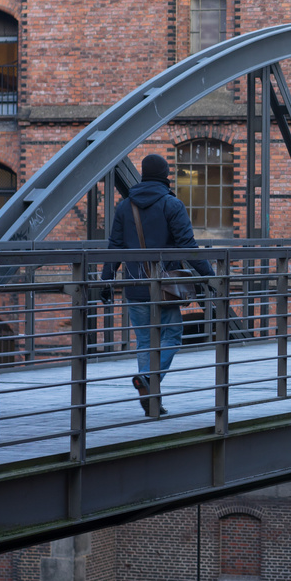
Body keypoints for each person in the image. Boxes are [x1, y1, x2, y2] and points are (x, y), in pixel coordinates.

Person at [101, 153, 213, 417]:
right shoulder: (172, 205)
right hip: (164, 287)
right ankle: (150, 382)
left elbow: (115, 247)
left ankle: (151, 400)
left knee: (144, 341)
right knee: (172, 336)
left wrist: (106, 280)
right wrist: (209, 277)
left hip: (135, 286)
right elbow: (189, 246)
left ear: (142, 174)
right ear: (165, 175)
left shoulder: (125, 206)